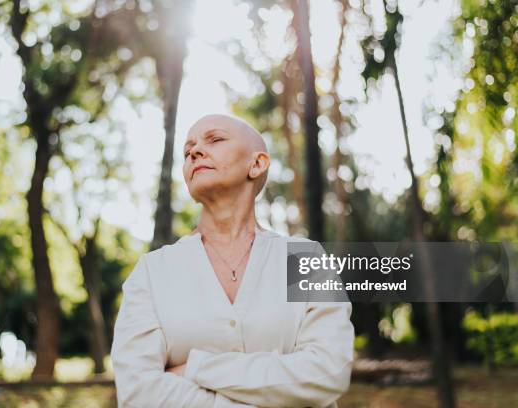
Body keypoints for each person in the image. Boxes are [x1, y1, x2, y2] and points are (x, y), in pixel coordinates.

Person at [112, 114, 354, 407]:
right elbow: (138, 393)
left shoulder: (307, 259)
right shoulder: (151, 272)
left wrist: (196, 369)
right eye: (188, 150)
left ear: (257, 163)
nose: (194, 152)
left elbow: (328, 373)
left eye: (214, 139)